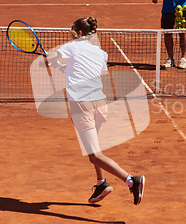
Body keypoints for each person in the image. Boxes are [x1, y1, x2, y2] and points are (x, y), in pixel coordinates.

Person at [54, 17, 145, 205]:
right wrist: (65, 68)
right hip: (100, 103)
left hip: (82, 105)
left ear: (79, 33)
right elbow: (90, 74)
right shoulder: (101, 53)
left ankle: (131, 180)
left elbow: (48, 62)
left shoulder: (71, 47)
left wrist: (52, 62)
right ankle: (101, 183)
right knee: (94, 149)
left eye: (72, 31)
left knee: (94, 155)